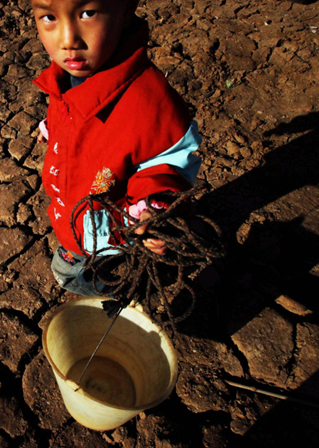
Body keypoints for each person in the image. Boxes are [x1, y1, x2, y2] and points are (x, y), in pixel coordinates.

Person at [31, 0, 202, 297]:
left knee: (69, 275)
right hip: (71, 211)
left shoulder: (150, 103)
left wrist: (154, 209)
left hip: (113, 224)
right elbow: (72, 112)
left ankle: (125, 291)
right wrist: (53, 127)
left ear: (125, 8)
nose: (68, 39)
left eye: (87, 13)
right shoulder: (64, 77)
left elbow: (167, 162)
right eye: (49, 17)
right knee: (73, 256)